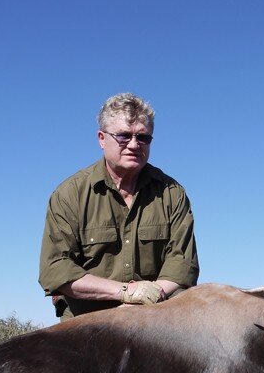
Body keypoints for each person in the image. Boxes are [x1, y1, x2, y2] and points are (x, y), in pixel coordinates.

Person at [39, 92, 199, 319]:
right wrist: (127, 293)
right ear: (102, 139)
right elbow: (56, 269)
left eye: (143, 138)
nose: (134, 145)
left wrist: (149, 297)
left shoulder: (172, 194)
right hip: (87, 322)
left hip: (155, 317)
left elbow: (183, 266)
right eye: (123, 136)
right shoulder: (69, 195)